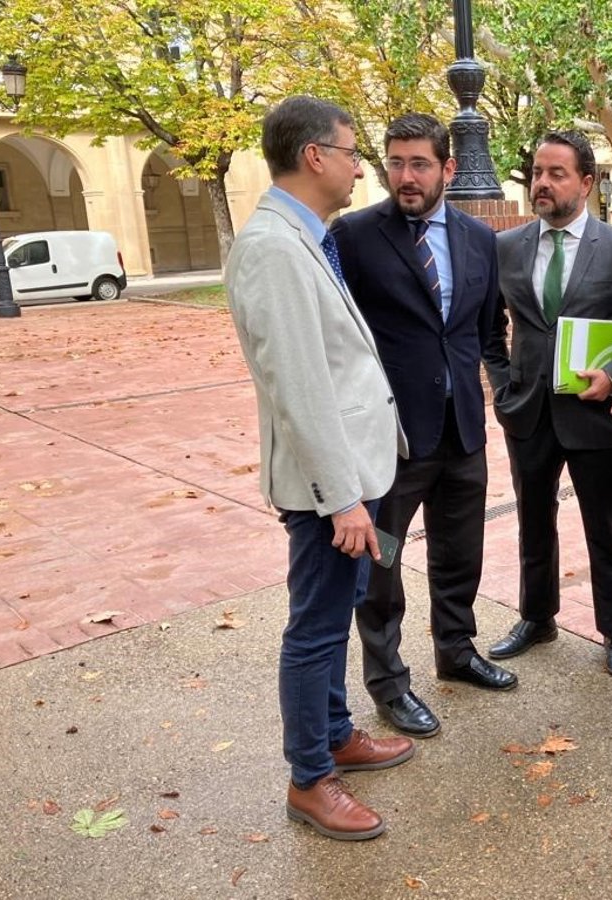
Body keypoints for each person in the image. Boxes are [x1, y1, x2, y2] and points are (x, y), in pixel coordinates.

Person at [225, 95, 414, 841]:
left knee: (336, 616)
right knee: (316, 629)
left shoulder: (303, 237)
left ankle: (334, 735)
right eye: (351, 152)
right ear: (314, 156)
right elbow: (299, 388)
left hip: (349, 476)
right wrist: (341, 499)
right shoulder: (274, 248)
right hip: (325, 489)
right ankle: (310, 778)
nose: (359, 168)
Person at [330, 113, 516, 740]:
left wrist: (499, 389)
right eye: (395, 163)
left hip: (462, 430)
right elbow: (340, 337)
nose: (405, 177)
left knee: (460, 552)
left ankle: (456, 651)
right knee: (381, 565)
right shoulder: (353, 236)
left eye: (419, 164)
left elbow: (486, 330)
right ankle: (388, 682)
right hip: (391, 439)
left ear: (448, 169)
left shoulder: (478, 239)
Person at [483, 130, 612, 677]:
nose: (542, 183)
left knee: (607, 529)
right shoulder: (506, 247)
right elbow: (488, 329)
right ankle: (537, 618)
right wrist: (503, 385)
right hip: (528, 414)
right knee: (534, 524)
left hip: (598, 417)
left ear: (586, 183)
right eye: (538, 172)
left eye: (556, 174)